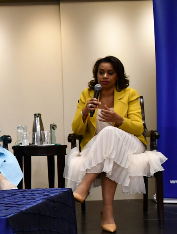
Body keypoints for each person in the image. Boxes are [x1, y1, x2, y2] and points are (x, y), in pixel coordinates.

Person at [64, 56, 166, 233]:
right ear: (95, 75)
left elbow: (138, 128)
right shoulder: (87, 95)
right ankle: (108, 211)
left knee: (110, 132)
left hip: (130, 143)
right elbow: (77, 131)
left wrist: (118, 120)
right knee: (108, 149)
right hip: (97, 146)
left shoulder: (130, 94)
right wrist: (84, 113)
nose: (104, 76)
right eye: (101, 72)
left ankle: (84, 186)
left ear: (118, 75)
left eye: (110, 73)